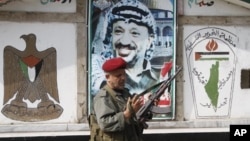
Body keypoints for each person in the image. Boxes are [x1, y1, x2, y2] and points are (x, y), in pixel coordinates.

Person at [91, 0, 161, 95]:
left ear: (149, 40)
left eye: (134, 33)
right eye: (118, 31)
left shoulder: (160, 77)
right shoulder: (100, 72)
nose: (124, 41)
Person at [89, 57, 145, 141]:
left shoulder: (125, 94)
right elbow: (105, 124)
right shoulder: (103, 97)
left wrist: (145, 108)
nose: (123, 78)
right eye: (118, 75)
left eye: (124, 74)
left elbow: (133, 121)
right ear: (107, 77)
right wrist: (127, 114)